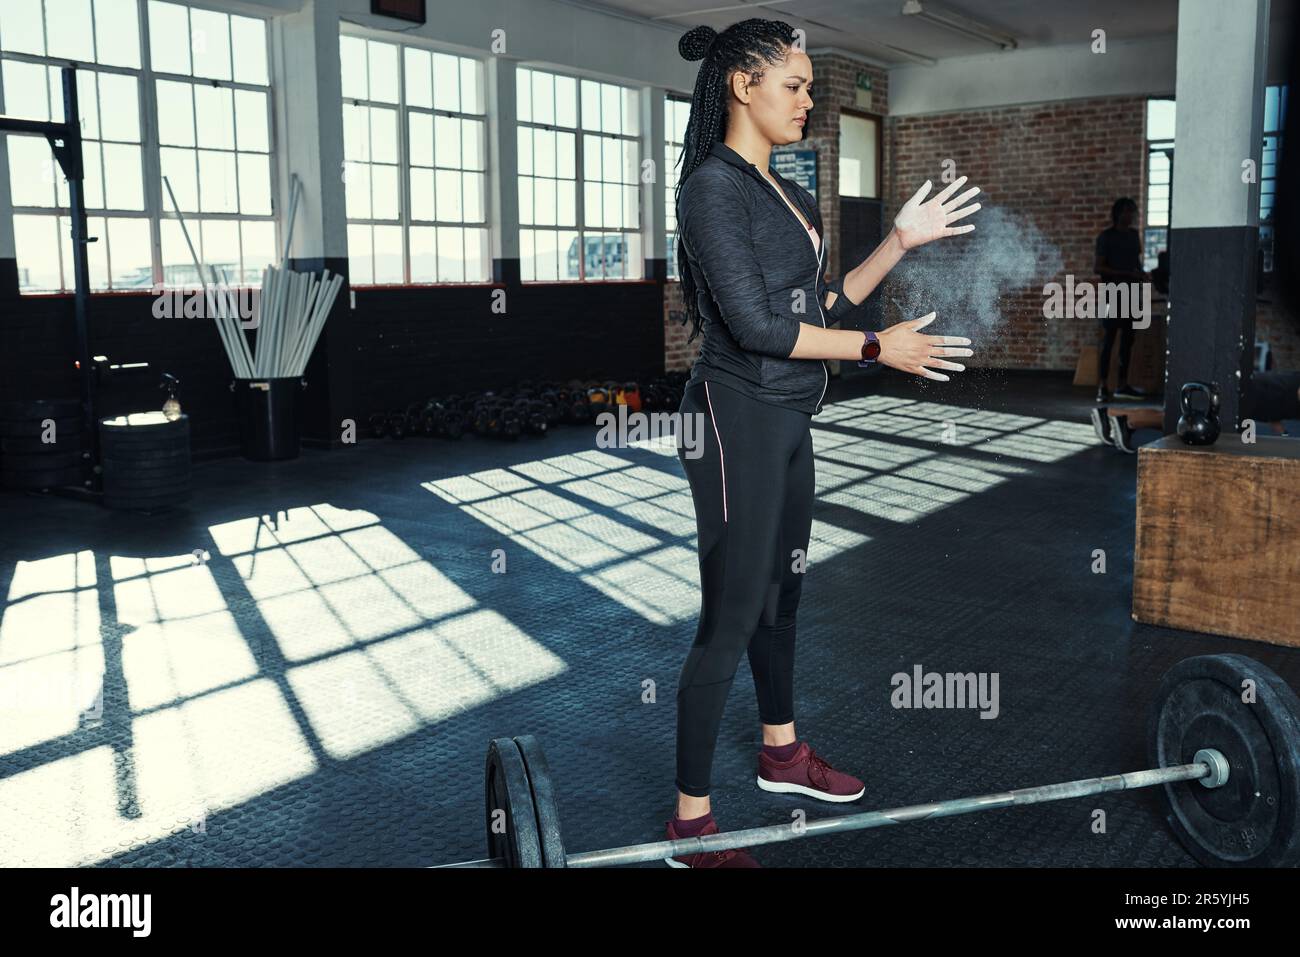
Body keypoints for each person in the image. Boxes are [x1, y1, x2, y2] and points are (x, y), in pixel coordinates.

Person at [668, 18, 982, 867]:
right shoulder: (713, 189)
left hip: (788, 417)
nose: (810, 100)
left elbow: (822, 309)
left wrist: (898, 244)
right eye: (797, 85)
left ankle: (781, 754)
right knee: (731, 616)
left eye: (810, 86)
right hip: (732, 420)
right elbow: (760, 329)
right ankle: (691, 826)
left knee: (784, 596)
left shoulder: (787, 191)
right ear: (743, 85)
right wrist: (883, 349)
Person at [1094, 197, 1149, 402]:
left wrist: (1142, 274)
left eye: (1132, 212)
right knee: (1108, 342)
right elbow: (1098, 267)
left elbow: (1136, 264)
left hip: (1133, 294)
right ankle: (1102, 386)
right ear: (1118, 213)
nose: (1131, 215)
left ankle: (1122, 385)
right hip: (1113, 294)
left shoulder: (1134, 236)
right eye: (1128, 212)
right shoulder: (1106, 237)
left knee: (1128, 342)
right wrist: (1126, 274)